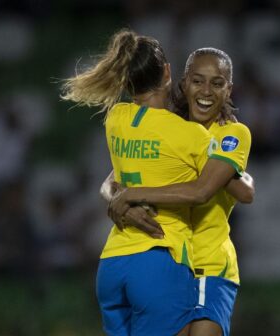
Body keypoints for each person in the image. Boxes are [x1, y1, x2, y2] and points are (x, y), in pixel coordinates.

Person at [62, 29, 249, 336]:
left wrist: (121, 199)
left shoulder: (116, 119)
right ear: (169, 73)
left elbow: (112, 181)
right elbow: (221, 190)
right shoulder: (190, 135)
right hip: (160, 257)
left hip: (112, 262)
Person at [107, 48, 253, 336]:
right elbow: (112, 180)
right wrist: (119, 200)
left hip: (208, 266)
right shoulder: (170, 128)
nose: (206, 91)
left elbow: (206, 191)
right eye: (198, 81)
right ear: (184, 83)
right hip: (169, 264)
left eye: (217, 83)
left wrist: (133, 195)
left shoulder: (232, 135)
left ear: (229, 90)